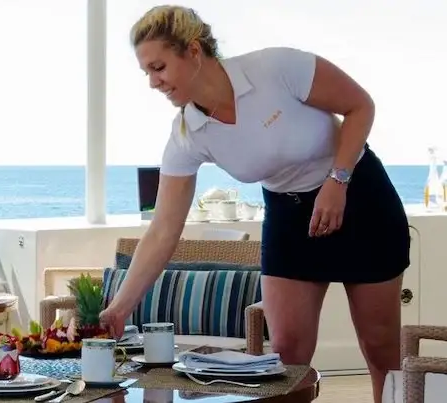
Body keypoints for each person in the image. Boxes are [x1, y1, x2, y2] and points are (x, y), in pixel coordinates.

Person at [98, 6, 407, 403]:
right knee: (287, 354)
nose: (154, 82)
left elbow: (360, 105)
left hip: (359, 197)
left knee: (380, 347)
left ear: (193, 51)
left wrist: (338, 180)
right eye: (147, 73)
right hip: (289, 216)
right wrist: (121, 307)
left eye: (159, 67)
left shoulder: (276, 68)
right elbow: (162, 230)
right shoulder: (188, 136)